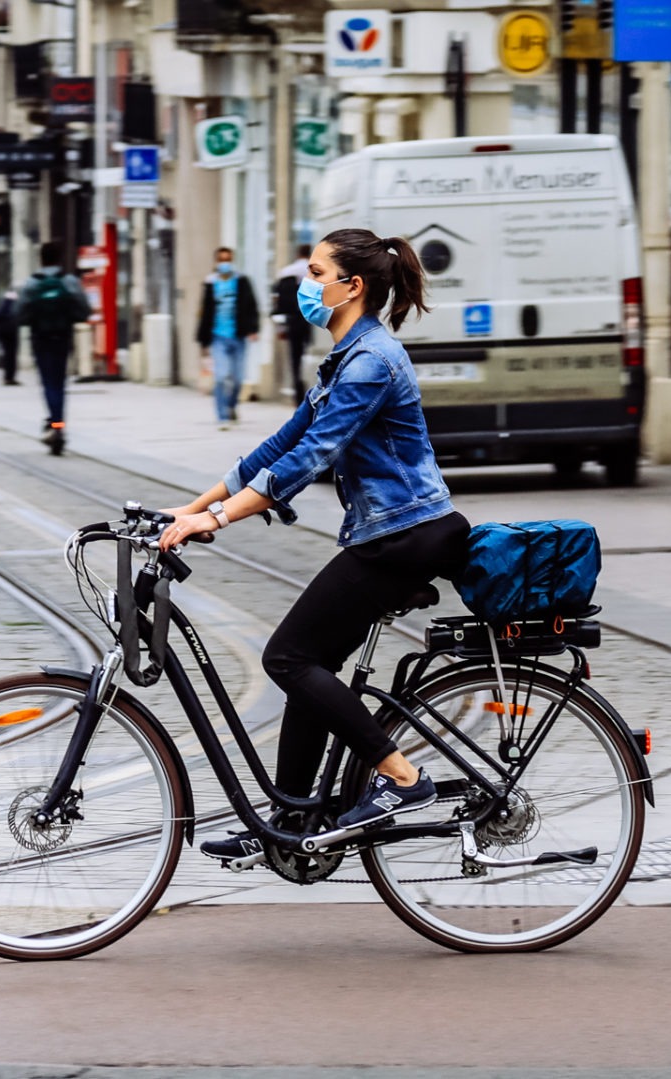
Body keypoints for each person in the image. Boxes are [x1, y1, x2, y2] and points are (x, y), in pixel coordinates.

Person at [156, 228, 470, 856]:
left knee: (288, 659)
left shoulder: (372, 361)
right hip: (390, 532)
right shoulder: (346, 357)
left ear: (351, 287)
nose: (307, 284)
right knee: (306, 665)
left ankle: (402, 779)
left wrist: (216, 522)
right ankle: (290, 824)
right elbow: (280, 444)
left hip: (405, 535)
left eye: (317, 272)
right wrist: (189, 508)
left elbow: (310, 458)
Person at [15, 241, 90, 455]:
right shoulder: (69, 281)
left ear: (41, 259)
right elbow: (84, 310)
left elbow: (19, 315)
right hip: (63, 337)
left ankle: (55, 424)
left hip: (40, 338)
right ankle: (58, 426)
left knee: (48, 384)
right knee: (59, 383)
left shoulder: (31, 284)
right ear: (59, 259)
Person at [193, 245, 261, 431]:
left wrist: (253, 329)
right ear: (216, 262)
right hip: (218, 337)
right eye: (221, 260)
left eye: (228, 260)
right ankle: (222, 415)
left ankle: (232, 406)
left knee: (238, 379)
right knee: (222, 377)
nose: (225, 263)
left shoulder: (242, 281)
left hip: (238, 336)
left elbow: (251, 306)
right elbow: (205, 312)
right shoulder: (210, 283)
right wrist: (203, 340)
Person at [273, 243, 314, 403]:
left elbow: (279, 303)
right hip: (311, 321)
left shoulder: (286, 272)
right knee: (311, 355)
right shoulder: (315, 271)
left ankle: (299, 393)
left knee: (295, 358)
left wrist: (280, 327)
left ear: (297, 254)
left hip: (293, 321)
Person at [0, 288, 21, 386]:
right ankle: (10, 377)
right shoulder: (14, 306)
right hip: (11, 334)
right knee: (11, 356)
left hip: (3, 333)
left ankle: (7, 377)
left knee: (7, 355)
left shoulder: (2, 306)